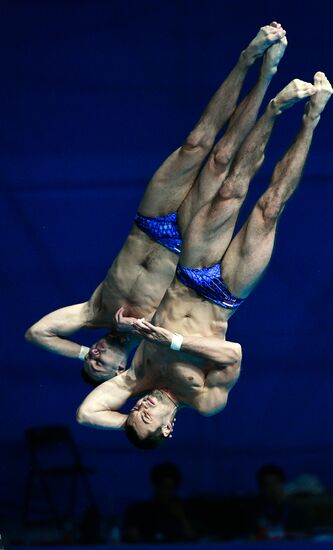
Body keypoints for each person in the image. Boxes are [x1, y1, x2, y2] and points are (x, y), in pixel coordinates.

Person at [76, 70, 333, 449]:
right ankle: (312, 117)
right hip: (225, 296)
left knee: (231, 189)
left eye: (135, 411)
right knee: (270, 207)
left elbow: (85, 414)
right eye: (146, 418)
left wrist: (128, 424)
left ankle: (275, 109)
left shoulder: (137, 377)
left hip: (191, 274)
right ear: (168, 429)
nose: (142, 408)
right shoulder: (205, 401)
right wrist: (174, 341)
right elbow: (233, 353)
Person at [25, 23, 287, 384]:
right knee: (222, 160)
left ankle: (247, 58)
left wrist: (83, 353)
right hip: (182, 239)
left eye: (92, 356)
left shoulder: (94, 312)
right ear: (120, 369)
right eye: (99, 364)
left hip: (149, 222)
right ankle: (266, 80)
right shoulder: (155, 336)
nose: (97, 354)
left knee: (195, 142)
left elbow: (37, 333)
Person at [123, 462, 197, 543]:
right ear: (155, 486)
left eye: (171, 488)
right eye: (164, 487)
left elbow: (193, 539)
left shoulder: (183, 509)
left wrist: (182, 517)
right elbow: (131, 538)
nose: (167, 492)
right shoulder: (138, 511)